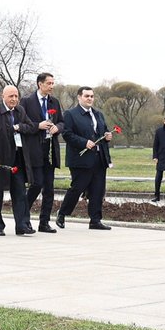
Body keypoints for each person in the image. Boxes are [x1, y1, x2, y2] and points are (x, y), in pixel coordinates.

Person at [0, 84, 36, 236]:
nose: (14, 99)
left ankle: (22, 225)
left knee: (20, 194)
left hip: (17, 160)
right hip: (0, 161)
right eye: (11, 96)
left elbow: (31, 127)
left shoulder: (20, 111)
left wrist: (19, 127)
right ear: (3, 96)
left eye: (16, 96)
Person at [58, 87, 116, 230]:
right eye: (86, 96)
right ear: (79, 97)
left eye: (92, 96)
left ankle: (95, 220)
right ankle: (62, 213)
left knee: (98, 190)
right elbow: (67, 134)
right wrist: (84, 142)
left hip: (99, 159)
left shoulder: (98, 114)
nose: (90, 98)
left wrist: (107, 136)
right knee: (77, 188)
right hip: (81, 159)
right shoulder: (71, 114)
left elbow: (103, 132)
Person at [26, 72, 64, 230]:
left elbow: (62, 122)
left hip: (50, 149)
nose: (52, 86)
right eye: (49, 83)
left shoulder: (54, 102)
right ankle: (23, 216)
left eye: (53, 83)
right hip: (34, 149)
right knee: (36, 184)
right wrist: (37, 126)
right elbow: (22, 124)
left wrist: (57, 128)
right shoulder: (27, 101)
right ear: (40, 84)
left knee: (49, 187)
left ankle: (44, 222)